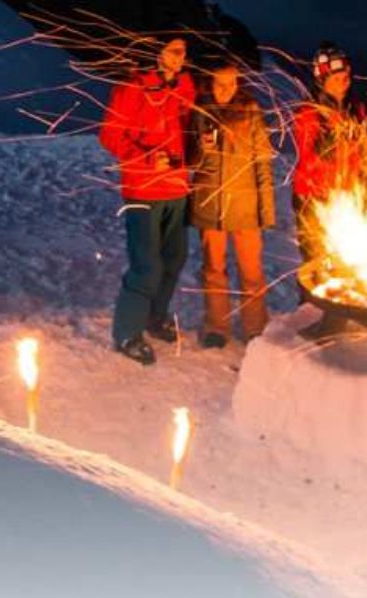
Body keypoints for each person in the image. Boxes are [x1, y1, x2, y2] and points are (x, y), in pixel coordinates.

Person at [99, 34, 196, 365]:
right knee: (147, 265)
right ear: (156, 53)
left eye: (183, 50)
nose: (181, 56)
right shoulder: (132, 88)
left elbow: (187, 128)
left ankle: (155, 316)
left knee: (175, 257)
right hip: (143, 189)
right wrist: (146, 160)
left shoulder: (185, 84)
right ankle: (127, 332)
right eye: (174, 50)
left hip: (177, 188)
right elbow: (110, 135)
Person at [188, 60, 275, 347]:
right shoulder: (200, 108)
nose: (226, 89)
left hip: (245, 203)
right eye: (219, 83)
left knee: (251, 270)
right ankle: (217, 327)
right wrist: (201, 149)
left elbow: (262, 159)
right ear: (210, 83)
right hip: (210, 202)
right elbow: (189, 157)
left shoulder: (249, 109)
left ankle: (255, 327)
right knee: (213, 269)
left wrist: (266, 208)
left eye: (231, 82)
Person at [292, 42, 360, 274]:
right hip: (315, 199)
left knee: (347, 261)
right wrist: (330, 142)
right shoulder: (309, 112)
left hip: (349, 194)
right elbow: (308, 157)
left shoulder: (355, 110)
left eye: (347, 76)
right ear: (322, 80)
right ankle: (313, 306)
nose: (345, 82)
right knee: (317, 261)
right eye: (338, 78)